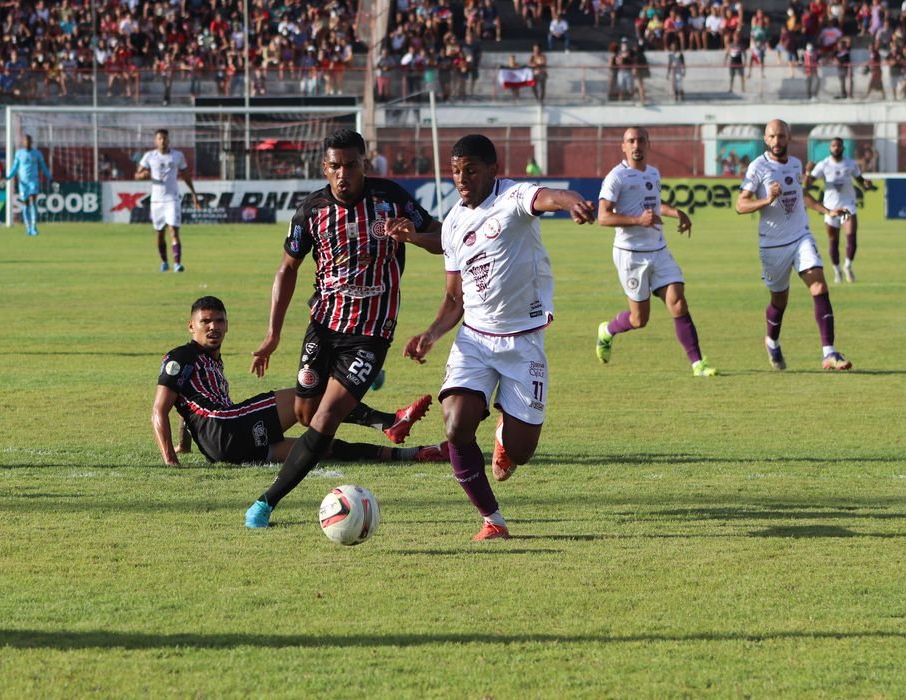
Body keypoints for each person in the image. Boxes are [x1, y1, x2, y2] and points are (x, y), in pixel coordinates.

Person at [244, 128, 443, 529]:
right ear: (325, 168)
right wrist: (273, 334)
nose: (343, 174)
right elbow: (287, 268)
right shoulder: (312, 210)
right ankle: (386, 419)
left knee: (327, 416)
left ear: (363, 165)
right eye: (335, 166)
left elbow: (441, 238)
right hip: (324, 324)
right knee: (305, 411)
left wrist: (415, 237)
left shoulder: (391, 198)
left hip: (371, 330)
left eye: (351, 165)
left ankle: (266, 502)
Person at [402, 134, 596, 541]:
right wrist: (431, 334)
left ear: (493, 169)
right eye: (456, 171)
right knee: (455, 424)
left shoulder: (512, 197)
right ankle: (493, 519)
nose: (462, 178)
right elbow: (454, 298)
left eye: (470, 170)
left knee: (522, 451)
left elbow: (549, 195)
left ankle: (505, 439)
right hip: (474, 340)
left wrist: (572, 201)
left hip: (523, 342)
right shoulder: (453, 220)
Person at [153, 296, 446, 467]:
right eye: (205, 322)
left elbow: (186, 408)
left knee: (322, 445)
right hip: (227, 426)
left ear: (227, 325)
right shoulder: (181, 356)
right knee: (306, 395)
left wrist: (186, 447)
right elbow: (160, 409)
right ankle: (387, 422)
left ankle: (412, 453)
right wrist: (170, 459)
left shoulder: (211, 360)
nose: (213, 327)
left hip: (226, 448)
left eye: (219, 321)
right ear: (191, 326)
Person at [595, 127, 716, 377]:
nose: (636, 145)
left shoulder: (653, 173)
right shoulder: (616, 177)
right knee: (640, 320)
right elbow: (603, 217)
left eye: (640, 140)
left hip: (659, 249)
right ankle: (607, 330)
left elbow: (654, 204)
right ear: (624, 146)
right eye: (631, 141)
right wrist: (638, 221)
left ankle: (698, 364)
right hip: (630, 254)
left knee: (678, 302)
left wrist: (676, 213)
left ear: (648, 144)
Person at [735, 120, 853, 372]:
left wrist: (828, 210)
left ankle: (829, 353)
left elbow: (801, 195)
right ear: (766, 140)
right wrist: (767, 199)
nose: (777, 141)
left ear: (789, 138)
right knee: (779, 301)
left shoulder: (796, 164)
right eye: (772, 136)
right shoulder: (758, 167)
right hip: (772, 244)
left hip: (800, 236)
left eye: (781, 136)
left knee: (819, 285)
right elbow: (740, 205)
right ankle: (772, 340)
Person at [803, 137, 876, 283]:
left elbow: (861, 181)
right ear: (830, 148)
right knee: (833, 240)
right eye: (833, 145)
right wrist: (808, 172)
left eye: (838, 145)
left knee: (851, 237)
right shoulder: (824, 165)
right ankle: (837, 271)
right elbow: (807, 184)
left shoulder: (850, 164)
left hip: (848, 205)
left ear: (843, 148)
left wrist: (867, 184)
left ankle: (847, 266)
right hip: (830, 208)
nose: (836, 148)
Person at [136, 129, 200, 273]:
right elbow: (137, 174)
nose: (162, 141)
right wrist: (143, 175)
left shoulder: (177, 156)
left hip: (172, 199)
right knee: (160, 233)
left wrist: (194, 193)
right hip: (157, 201)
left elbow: (185, 175)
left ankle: (177, 263)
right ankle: (164, 262)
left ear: (169, 140)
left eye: (165, 138)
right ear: (155, 141)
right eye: (159, 138)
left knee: (173, 230)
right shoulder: (149, 156)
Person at [5, 134, 51, 236]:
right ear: (23, 142)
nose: (27, 143)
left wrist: (49, 177)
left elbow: (43, 166)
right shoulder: (19, 153)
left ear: (31, 142)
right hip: (23, 183)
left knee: (32, 200)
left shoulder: (37, 153)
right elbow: (15, 167)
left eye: (28, 141)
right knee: (25, 204)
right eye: (25, 141)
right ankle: (28, 227)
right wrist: (8, 177)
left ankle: (34, 226)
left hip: (33, 181)